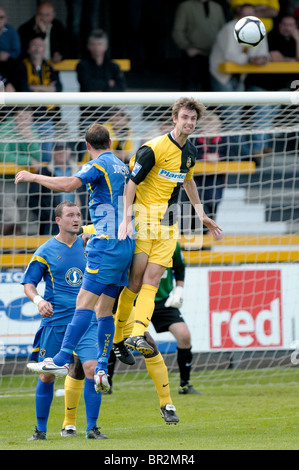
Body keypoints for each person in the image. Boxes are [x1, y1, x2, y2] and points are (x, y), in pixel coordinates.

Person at [15, 123, 135, 397]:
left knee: (84, 304)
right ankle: (102, 365)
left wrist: (35, 177)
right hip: (126, 241)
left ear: (87, 146)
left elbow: (69, 184)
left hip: (106, 243)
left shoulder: (99, 165)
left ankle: (60, 358)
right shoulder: (121, 165)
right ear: (110, 142)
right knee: (105, 310)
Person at [113, 97, 222, 359]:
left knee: (152, 281)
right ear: (175, 118)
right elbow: (131, 182)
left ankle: (137, 334)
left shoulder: (191, 152)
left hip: (167, 225)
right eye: (185, 117)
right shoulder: (153, 148)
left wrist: (201, 214)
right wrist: (126, 218)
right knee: (135, 282)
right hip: (143, 220)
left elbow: (189, 182)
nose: (189, 122)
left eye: (193, 118)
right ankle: (118, 339)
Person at [23, 201, 108, 441]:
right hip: (56, 323)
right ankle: (40, 431)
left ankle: (92, 429)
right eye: (70, 215)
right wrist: (39, 300)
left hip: (85, 321)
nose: (76, 218)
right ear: (58, 220)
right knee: (48, 375)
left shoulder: (90, 244)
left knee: (92, 368)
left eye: (79, 214)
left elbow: (109, 228)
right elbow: (29, 284)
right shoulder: (45, 250)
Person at [109, 242, 201, 396]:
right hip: (135, 301)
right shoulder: (135, 241)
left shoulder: (171, 241)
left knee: (184, 336)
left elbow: (179, 267)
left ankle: (185, 385)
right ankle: (107, 383)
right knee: (118, 336)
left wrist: (179, 290)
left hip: (162, 300)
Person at [245, 15, 299, 162]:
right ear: (279, 24)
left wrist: (297, 38)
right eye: (284, 24)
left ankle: (264, 145)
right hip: (261, 85)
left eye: (291, 25)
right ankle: (257, 150)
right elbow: (275, 57)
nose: (287, 28)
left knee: (268, 118)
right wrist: (289, 59)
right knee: (261, 118)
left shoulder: (294, 39)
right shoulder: (271, 37)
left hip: (279, 87)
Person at [14, 35, 62, 162]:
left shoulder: (49, 67)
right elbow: (23, 89)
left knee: (46, 157)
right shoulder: (21, 66)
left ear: (44, 50)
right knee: (30, 155)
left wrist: (35, 87)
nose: (37, 49)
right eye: (34, 45)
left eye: (40, 46)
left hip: (46, 118)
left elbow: (58, 89)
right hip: (27, 119)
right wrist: (46, 88)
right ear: (29, 49)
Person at [76, 29, 126, 150]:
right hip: (88, 117)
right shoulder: (82, 65)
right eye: (93, 44)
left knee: (110, 152)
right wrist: (109, 84)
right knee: (85, 153)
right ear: (88, 46)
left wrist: (100, 88)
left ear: (106, 46)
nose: (97, 48)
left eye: (100, 44)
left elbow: (120, 89)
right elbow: (88, 86)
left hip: (110, 118)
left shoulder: (114, 66)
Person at [0, 106, 42, 235]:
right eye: (21, 117)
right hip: (5, 182)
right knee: (12, 217)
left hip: (24, 182)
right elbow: (3, 156)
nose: (24, 120)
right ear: (15, 117)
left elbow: (39, 157)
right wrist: (28, 160)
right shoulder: (4, 130)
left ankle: (15, 252)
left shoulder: (31, 131)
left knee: (22, 221)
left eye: (28, 117)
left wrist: (29, 138)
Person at [172, 0, 226, 91]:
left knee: (212, 88)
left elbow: (223, 30)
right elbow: (178, 30)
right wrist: (187, 47)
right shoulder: (185, 6)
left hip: (215, 55)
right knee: (191, 89)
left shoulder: (217, 7)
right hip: (194, 54)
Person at [29, 143, 81, 235]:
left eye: (64, 150)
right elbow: (33, 199)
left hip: (77, 220)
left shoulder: (80, 171)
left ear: (69, 151)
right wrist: (48, 216)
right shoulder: (43, 171)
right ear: (52, 153)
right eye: (58, 151)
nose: (61, 153)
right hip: (52, 224)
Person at [0, 6, 21, 89]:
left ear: (6, 19)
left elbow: (17, 52)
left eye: (1, 17)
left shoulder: (12, 31)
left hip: (8, 66)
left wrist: (8, 54)